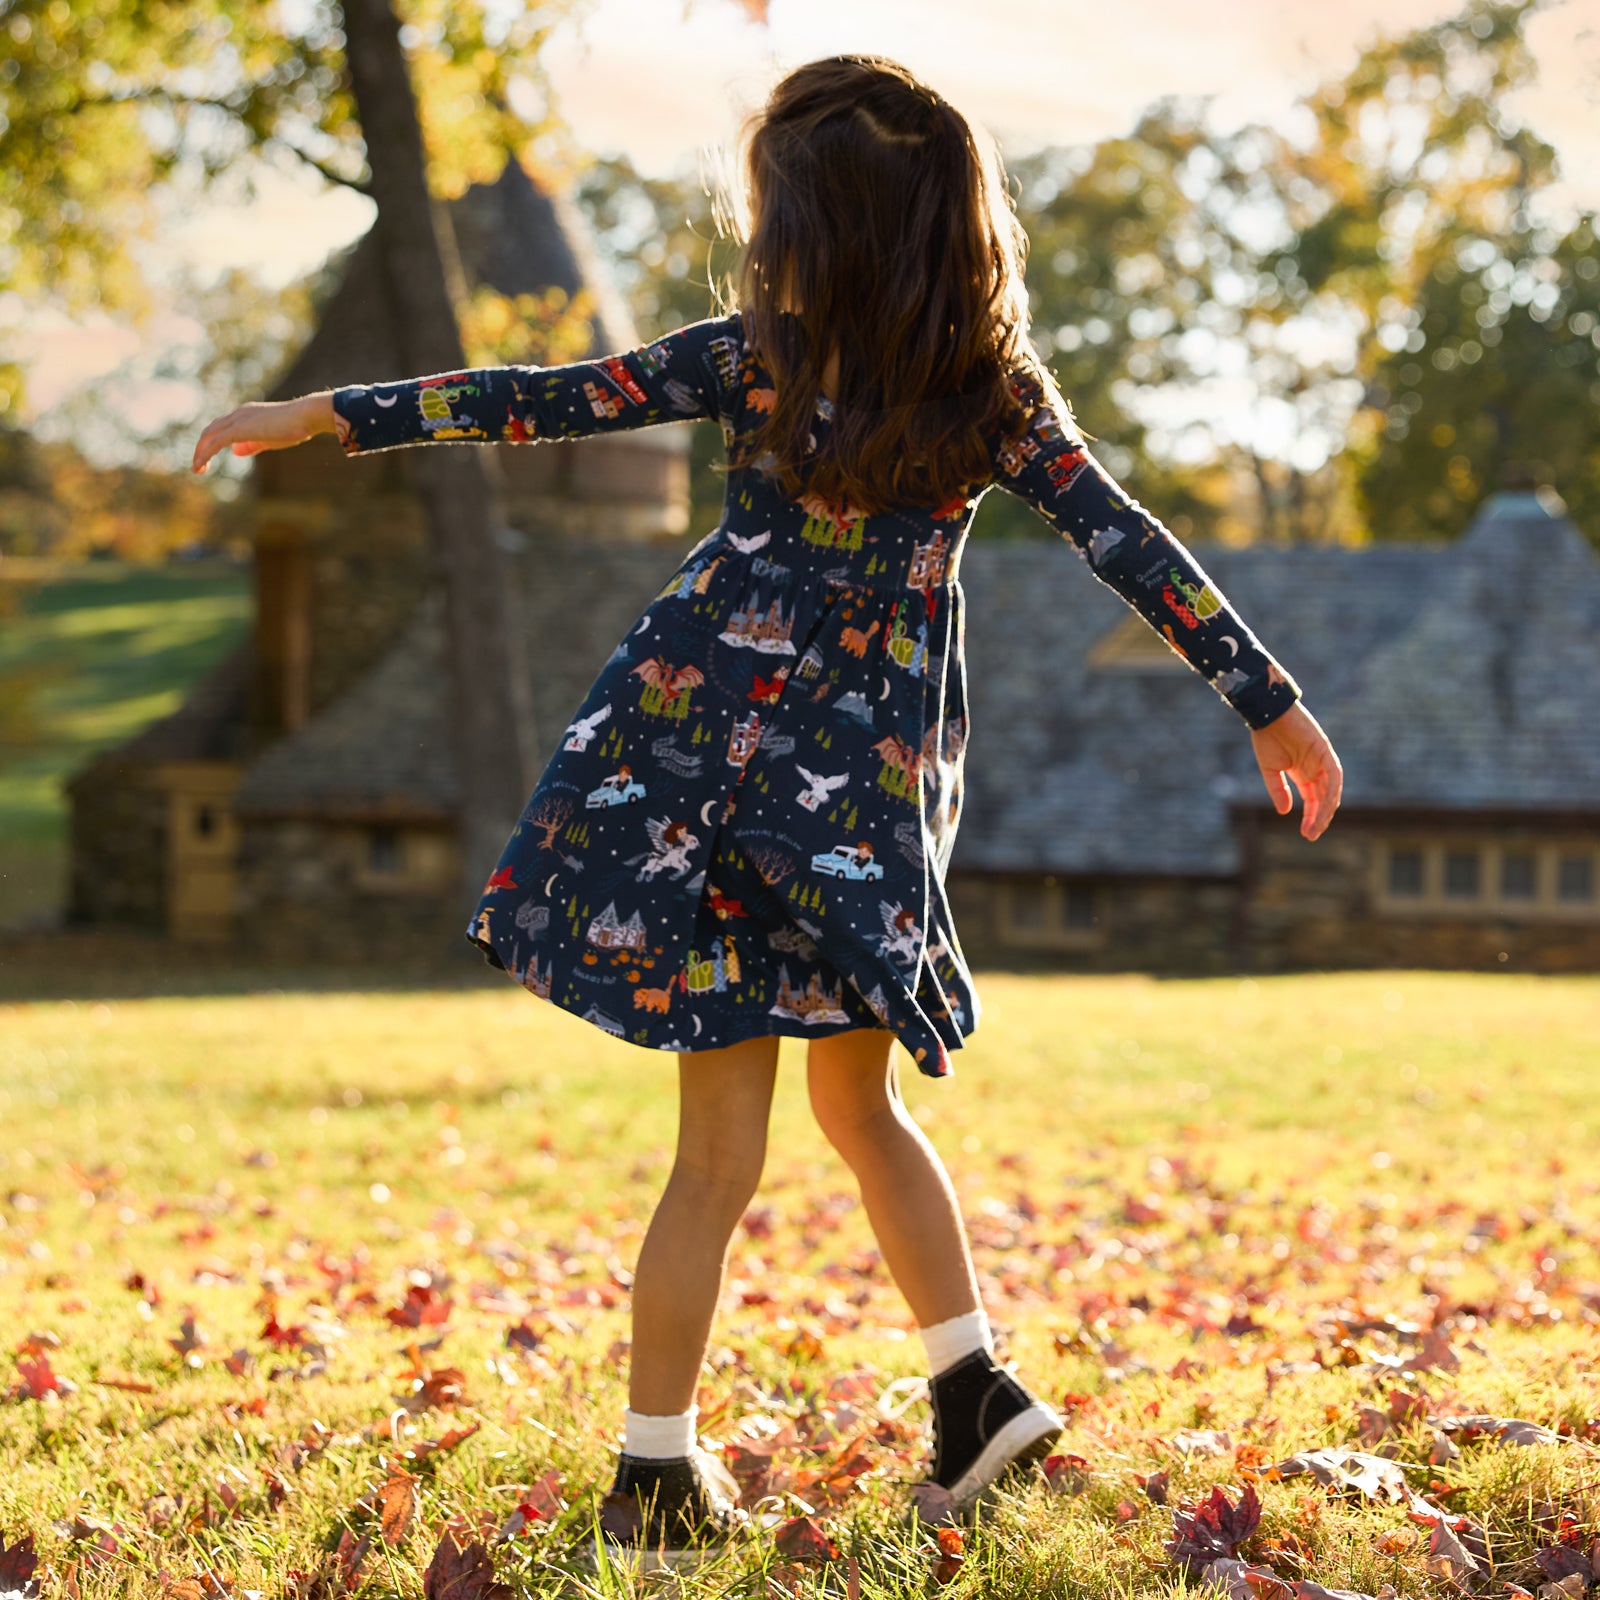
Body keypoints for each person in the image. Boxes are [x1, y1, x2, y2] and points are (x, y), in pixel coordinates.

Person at [192, 53, 1343, 1568]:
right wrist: (1269, 697)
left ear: (810, 228)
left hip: (703, 778)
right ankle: (970, 1388)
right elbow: (1122, 539)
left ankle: (660, 1478)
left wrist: (328, 416)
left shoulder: (760, 358)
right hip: (853, 806)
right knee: (863, 1110)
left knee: (713, 1160)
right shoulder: (989, 393)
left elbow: (537, 404)